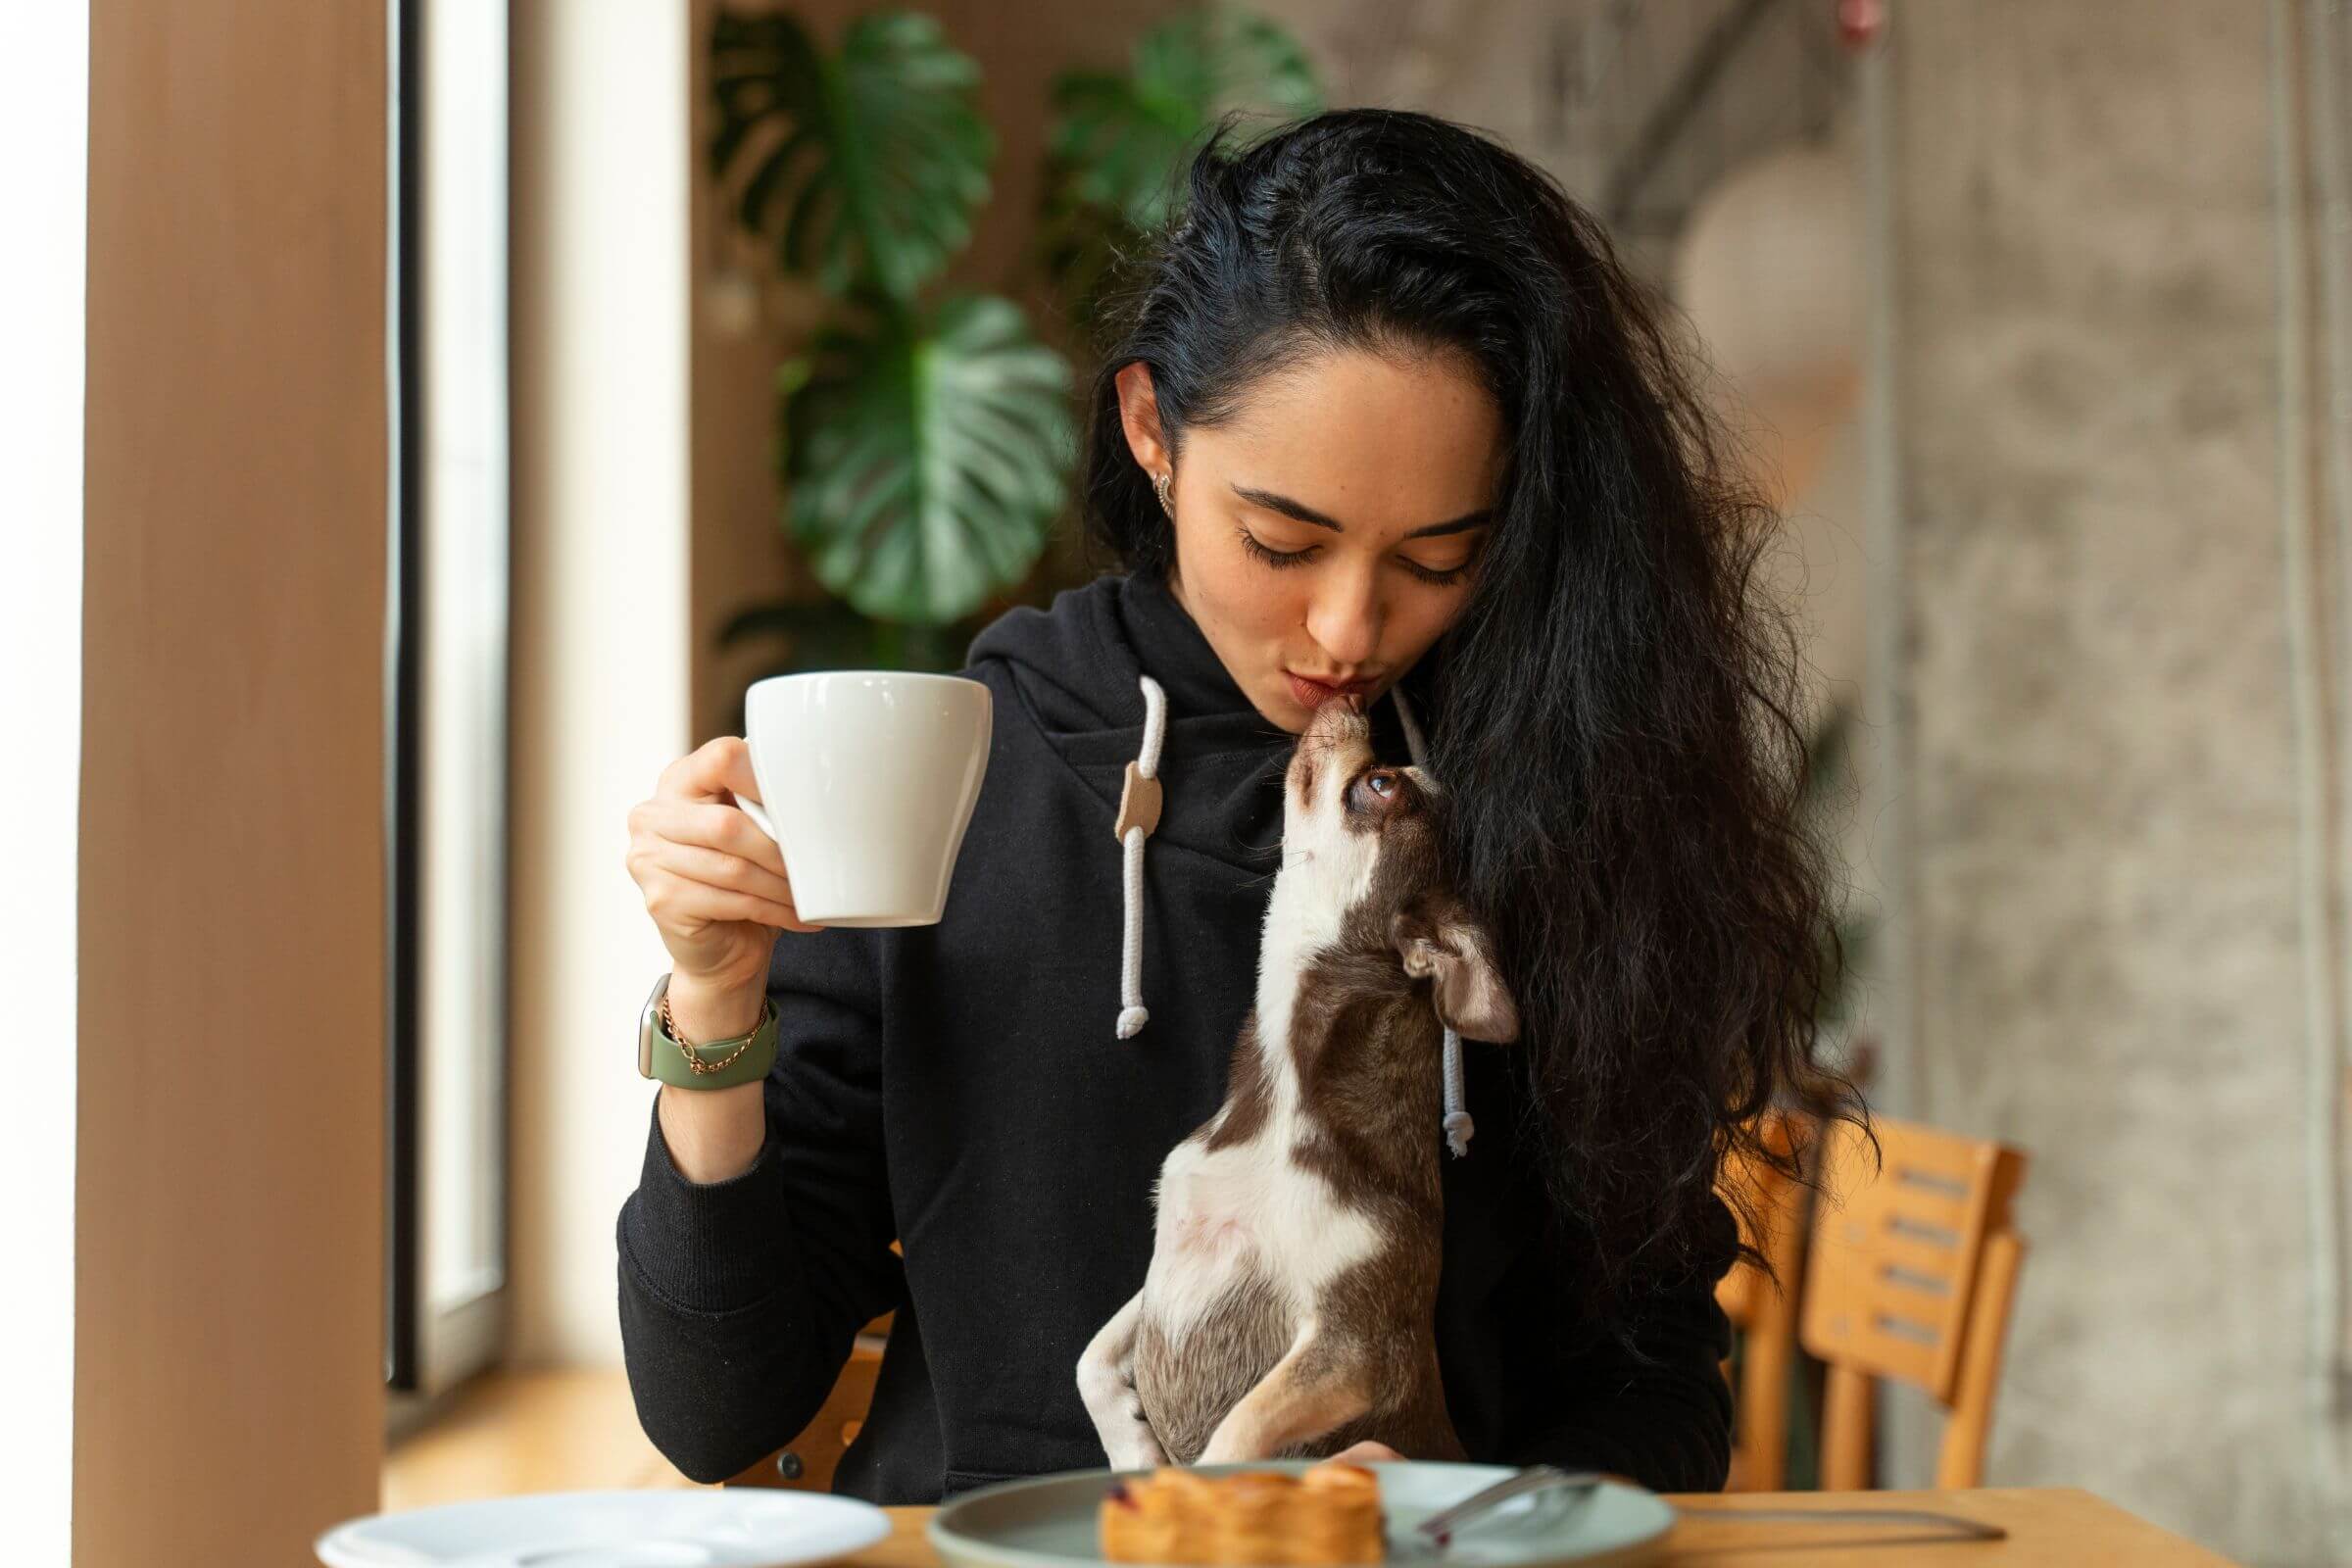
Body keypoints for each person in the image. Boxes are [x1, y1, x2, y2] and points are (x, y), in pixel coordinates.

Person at [616, 107, 1858, 1503]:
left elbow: (1650, 1389)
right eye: (1283, 540)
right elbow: (718, 1409)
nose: (1350, 625)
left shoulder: (1548, 801)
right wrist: (714, 1003)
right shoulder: (954, 788)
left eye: (1439, 557)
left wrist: (1475, 1518)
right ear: (1153, 430)